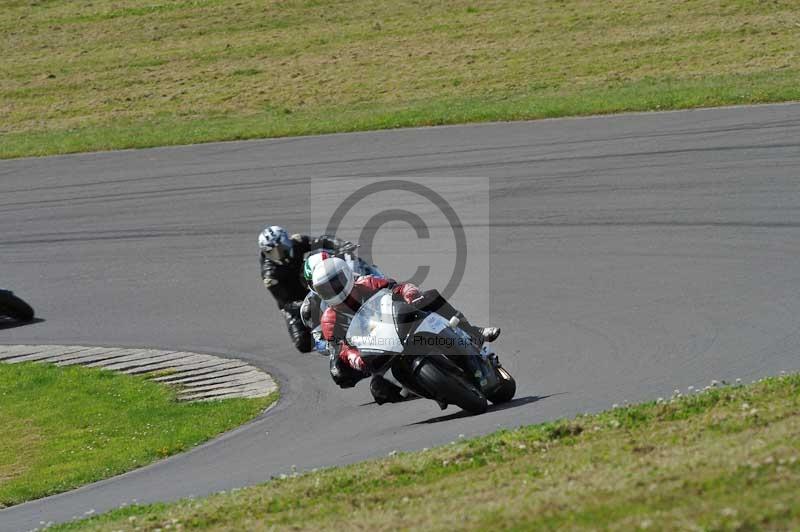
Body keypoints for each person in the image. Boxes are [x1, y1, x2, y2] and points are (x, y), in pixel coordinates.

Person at [312, 257, 500, 404]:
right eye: (325, 289)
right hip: (379, 349)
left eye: (335, 283)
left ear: (346, 276)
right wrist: (356, 359)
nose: (333, 290)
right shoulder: (329, 320)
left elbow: (398, 287)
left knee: (430, 297)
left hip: (402, 324)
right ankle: (420, 391)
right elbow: (341, 349)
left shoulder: (366, 283)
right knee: (379, 390)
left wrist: (410, 294)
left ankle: (473, 333)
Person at [258, 226, 351, 353]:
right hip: (294, 302)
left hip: (310, 284)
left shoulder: (297, 242)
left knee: (316, 259)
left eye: (283, 246)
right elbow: (286, 302)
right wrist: (304, 304)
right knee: (302, 344)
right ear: (267, 253)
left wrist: (341, 245)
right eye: (275, 251)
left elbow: (320, 241)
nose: (281, 252)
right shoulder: (270, 275)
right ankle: (330, 342)